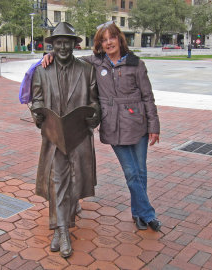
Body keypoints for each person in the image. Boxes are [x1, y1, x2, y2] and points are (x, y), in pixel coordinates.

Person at [42, 21, 162, 232]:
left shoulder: (136, 64)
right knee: (131, 173)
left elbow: (148, 98)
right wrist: (48, 56)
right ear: (100, 44)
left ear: (119, 39)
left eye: (112, 38)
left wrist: (154, 126)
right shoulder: (96, 62)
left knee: (140, 172)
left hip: (138, 125)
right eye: (104, 40)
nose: (108, 43)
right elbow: (69, 59)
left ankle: (138, 213)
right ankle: (148, 214)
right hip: (113, 127)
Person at [31, 22, 100, 258]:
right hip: (54, 137)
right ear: (52, 45)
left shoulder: (86, 69)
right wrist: (38, 114)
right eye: (58, 42)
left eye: (67, 42)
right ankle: (62, 231)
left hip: (78, 135)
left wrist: (93, 117)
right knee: (58, 182)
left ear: (74, 44)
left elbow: (94, 102)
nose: (62, 47)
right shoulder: (41, 71)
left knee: (73, 182)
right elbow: (36, 101)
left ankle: (60, 228)